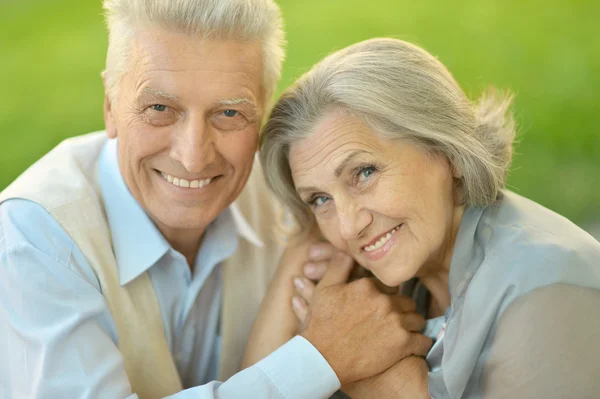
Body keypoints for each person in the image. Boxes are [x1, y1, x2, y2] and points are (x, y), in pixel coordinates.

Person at [0, 3, 432, 398]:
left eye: (228, 114)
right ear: (110, 107)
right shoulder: (33, 237)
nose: (192, 156)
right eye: (159, 108)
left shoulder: (303, 202)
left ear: (263, 116)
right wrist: (319, 358)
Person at [256, 37, 600, 398]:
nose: (348, 226)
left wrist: (376, 380)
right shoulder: (399, 284)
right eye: (320, 199)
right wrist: (300, 262)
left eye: (364, 173)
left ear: (446, 150)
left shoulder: (546, 289)